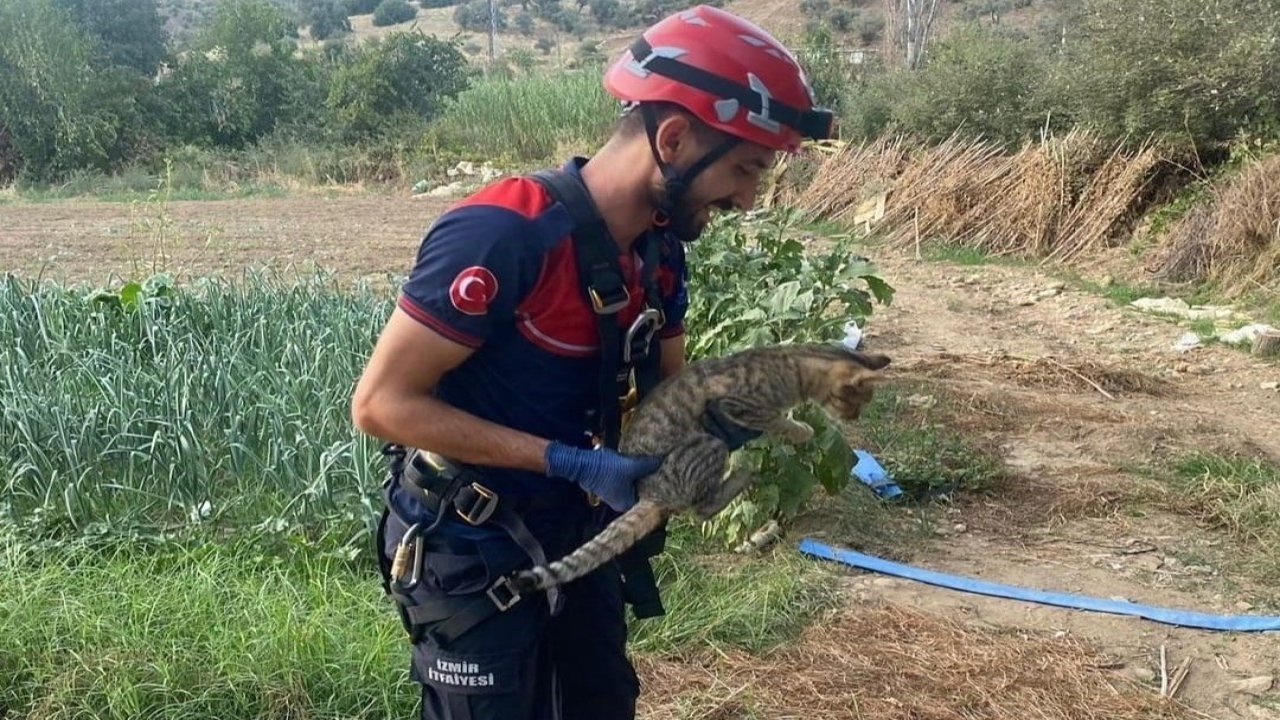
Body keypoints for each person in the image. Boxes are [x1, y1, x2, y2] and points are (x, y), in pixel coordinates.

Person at [349, 5, 835, 719]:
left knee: (602, 704)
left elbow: (671, 389)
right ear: (673, 138)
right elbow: (381, 407)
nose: (747, 197)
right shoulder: (502, 235)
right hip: (469, 540)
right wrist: (569, 461)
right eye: (743, 168)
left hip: (580, 537)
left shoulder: (657, 250)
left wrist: (714, 433)